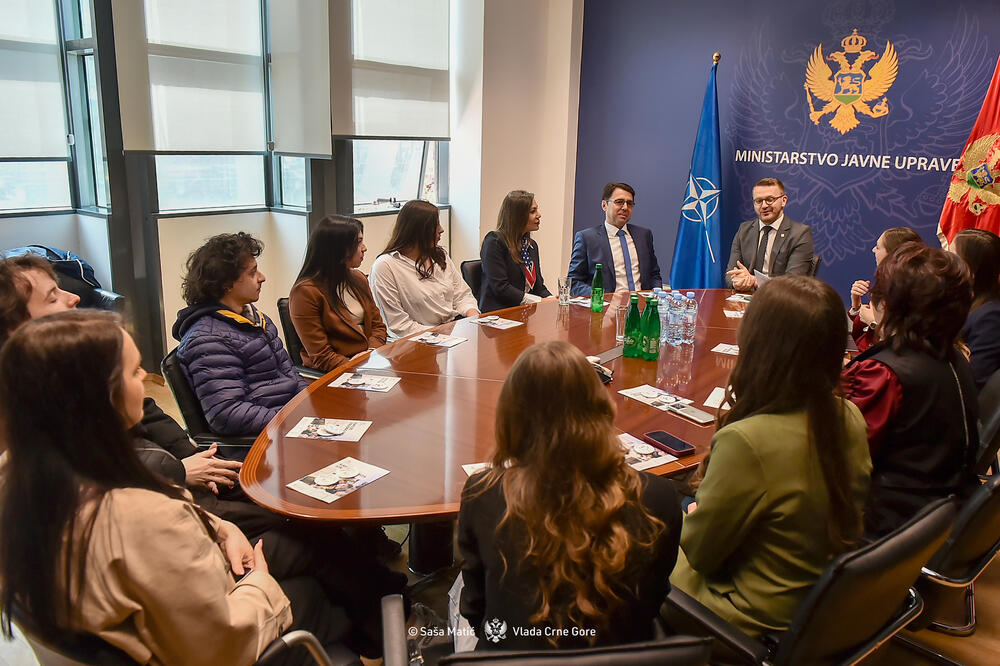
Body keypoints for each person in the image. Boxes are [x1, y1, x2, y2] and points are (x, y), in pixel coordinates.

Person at [0, 311, 352, 665]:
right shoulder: (142, 517)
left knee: (313, 558)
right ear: (102, 398)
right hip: (217, 645)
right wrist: (259, 584)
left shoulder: (19, 477)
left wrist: (221, 528)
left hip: (154, 625)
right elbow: (220, 644)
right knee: (315, 589)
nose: (145, 378)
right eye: (135, 371)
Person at [670, 276, 871, 638]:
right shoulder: (851, 416)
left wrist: (689, 517)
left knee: (643, 525)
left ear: (759, 346)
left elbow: (699, 554)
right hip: (816, 603)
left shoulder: (746, 442)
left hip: (743, 618)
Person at [458, 341, 681, 650]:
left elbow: (475, 610)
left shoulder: (483, 493)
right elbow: (652, 603)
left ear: (510, 416)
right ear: (600, 406)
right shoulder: (659, 497)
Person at [842, 243, 978, 538]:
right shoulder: (956, 357)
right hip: (941, 519)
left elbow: (837, 459)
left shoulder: (883, 374)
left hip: (886, 528)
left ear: (891, 305)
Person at [172, 232, 308, 437]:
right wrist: (292, 420)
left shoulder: (257, 320)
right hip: (261, 440)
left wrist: (313, 406)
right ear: (226, 283)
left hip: (288, 425)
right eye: (253, 273)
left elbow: (291, 376)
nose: (262, 277)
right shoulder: (206, 340)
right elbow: (227, 414)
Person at [368, 199, 479, 338]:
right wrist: (444, 333)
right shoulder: (385, 266)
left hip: (450, 332)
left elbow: (462, 295)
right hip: (416, 340)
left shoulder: (439, 255)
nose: (441, 229)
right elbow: (399, 325)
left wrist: (473, 317)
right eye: (436, 225)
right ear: (418, 230)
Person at [290, 215, 388, 372]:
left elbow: (378, 326)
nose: (364, 248)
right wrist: (355, 366)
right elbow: (321, 355)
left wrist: (370, 354)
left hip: (370, 362)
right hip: (334, 371)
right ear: (337, 249)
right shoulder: (305, 293)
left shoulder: (359, 278)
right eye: (358, 242)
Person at [567, 182, 663, 296]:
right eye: (619, 202)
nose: (625, 207)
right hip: (606, 304)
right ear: (604, 205)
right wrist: (601, 296)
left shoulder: (644, 235)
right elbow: (574, 282)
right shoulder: (587, 238)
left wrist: (657, 294)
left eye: (630, 203)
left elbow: (654, 274)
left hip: (642, 303)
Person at [725, 177, 813, 291]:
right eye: (758, 201)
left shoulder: (800, 233)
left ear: (784, 200)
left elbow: (793, 282)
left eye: (770, 199)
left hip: (780, 298)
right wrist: (737, 282)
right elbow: (730, 274)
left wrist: (755, 281)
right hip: (745, 297)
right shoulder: (744, 230)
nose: (764, 206)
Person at [848, 227, 922, 352]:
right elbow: (864, 337)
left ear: (893, 254)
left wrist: (873, 322)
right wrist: (857, 307)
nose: (873, 250)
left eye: (878, 247)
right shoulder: (887, 282)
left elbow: (906, 345)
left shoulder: (912, 291)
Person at [478, 190, 552, 313]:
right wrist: (538, 301)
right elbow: (501, 288)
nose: (539, 215)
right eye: (533, 211)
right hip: (498, 314)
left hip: (523, 313)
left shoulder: (531, 245)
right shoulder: (494, 242)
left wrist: (552, 300)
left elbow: (538, 288)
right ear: (518, 216)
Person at [953, 228, 1000, 389]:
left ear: (971, 270)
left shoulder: (991, 317)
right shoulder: (961, 305)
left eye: (952, 256)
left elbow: (975, 380)